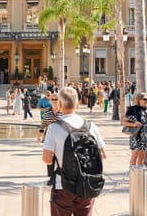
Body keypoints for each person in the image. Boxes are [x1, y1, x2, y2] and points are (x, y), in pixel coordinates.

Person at [42, 87, 106, 215]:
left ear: (59, 104)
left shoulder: (54, 128)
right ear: (78, 103)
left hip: (63, 185)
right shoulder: (91, 126)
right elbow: (103, 155)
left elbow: (47, 159)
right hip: (87, 183)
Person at [37, 91, 64, 185]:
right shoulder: (48, 111)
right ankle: (51, 177)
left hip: (61, 137)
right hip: (49, 136)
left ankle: (61, 176)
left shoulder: (63, 112)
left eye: (56, 99)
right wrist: (39, 136)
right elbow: (43, 125)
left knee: (60, 157)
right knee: (49, 157)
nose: (54, 101)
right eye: (52, 99)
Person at [122, 92, 147, 166]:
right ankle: (133, 174)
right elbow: (124, 122)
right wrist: (134, 124)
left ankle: (139, 175)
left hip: (145, 137)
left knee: (141, 158)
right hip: (136, 136)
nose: (146, 101)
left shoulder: (146, 110)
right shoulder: (133, 109)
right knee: (134, 157)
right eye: (144, 99)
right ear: (139, 100)